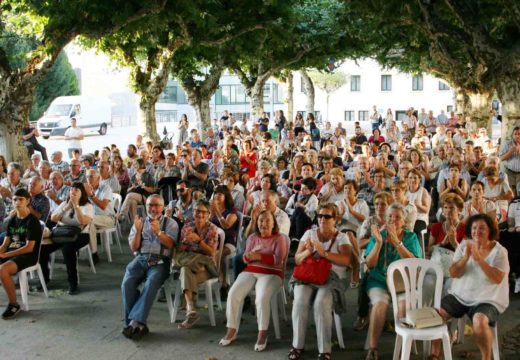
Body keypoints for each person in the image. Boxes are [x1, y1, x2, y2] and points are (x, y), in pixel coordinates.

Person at [431, 214, 509, 360]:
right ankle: (436, 354)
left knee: (479, 321)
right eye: (474, 228)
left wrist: (480, 260)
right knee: (436, 315)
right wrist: (465, 258)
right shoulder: (464, 245)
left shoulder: (500, 252)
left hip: (488, 299)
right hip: (460, 295)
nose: (476, 232)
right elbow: (453, 273)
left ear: (490, 231)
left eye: (481, 228)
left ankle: (486, 357)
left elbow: (497, 279)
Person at [288, 203, 352, 360]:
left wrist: (324, 254)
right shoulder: (309, 233)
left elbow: (346, 260)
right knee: (300, 301)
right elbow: (297, 259)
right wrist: (308, 251)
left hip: (332, 277)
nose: (322, 219)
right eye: (320, 216)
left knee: (321, 303)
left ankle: (325, 350)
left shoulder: (342, 237)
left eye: (327, 216)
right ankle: (297, 346)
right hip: (308, 275)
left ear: (335, 219)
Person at [220, 209, 288, 352]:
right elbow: (245, 258)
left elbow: (278, 260)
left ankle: (262, 332)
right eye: (261, 220)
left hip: (272, 273)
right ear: (257, 223)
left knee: (261, 298)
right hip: (251, 270)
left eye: (267, 220)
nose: (264, 223)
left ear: (273, 223)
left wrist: (259, 257)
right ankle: (231, 329)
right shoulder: (252, 238)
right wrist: (249, 257)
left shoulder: (279, 238)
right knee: (233, 294)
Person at [364, 203, 422, 360]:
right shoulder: (379, 235)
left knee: (404, 306)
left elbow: (415, 264)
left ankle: (404, 349)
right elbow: (370, 264)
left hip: (403, 283)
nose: (393, 220)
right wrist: (378, 243)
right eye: (390, 216)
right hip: (379, 280)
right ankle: (372, 347)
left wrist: (397, 242)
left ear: (404, 222)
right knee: (380, 304)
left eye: (397, 218)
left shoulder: (410, 237)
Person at [121, 194, 178, 340]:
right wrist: (138, 230)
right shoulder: (140, 222)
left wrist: (158, 231)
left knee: (151, 283)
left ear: (163, 207)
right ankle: (138, 323)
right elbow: (133, 246)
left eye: (157, 205)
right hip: (141, 258)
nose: (153, 209)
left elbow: (170, 245)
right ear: (145, 207)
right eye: (150, 205)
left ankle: (133, 323)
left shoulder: (171, 223)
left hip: (160, 261)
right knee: (127, 283)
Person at [42, 182, 93, 294]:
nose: (73, 191)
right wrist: (67, 207)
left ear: (82, 193)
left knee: (67, 249)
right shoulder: (65, 203)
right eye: (71, 189)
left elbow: (83, 221)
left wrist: (76, 206)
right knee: (42, 249)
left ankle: (73, 283)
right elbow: (54, 218)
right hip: (61, 233)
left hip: (80, 235)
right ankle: (44, 279)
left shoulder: (88, 206)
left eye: (76, 190)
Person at [176, 199, 219, 329]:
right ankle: (191, 310)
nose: (199, 215)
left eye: (203, 212)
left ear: (208, 214)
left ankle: (190, 310)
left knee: (185, 270)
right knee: (185, 271)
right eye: (196, 211)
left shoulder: (212, 229)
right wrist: (184, 242)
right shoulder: (188, 226)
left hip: (206, 268)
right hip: (191, 265)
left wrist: (199, 241)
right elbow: (179, 251)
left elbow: (212, 253)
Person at [0, 189, 42, 319]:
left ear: (28, 201)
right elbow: (6, 242)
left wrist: (6, 255)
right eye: (14, 199)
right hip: (12, 252)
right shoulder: (13, 219)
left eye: (21, 199)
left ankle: (14, 304)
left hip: (27, 256)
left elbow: (29, 248)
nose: (17, 202)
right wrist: (1, 250)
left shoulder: (32, 221)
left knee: (3, 270)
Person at [210, 185, 238, 295]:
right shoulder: (213, 208)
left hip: (228, 242)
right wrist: (211, 213)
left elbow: (226, 226)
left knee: (218, 254)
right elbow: (207, 224)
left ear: (226, 196)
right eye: (216, 193)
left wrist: (217, 212)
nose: (217, 196)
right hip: (213, 241)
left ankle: (223, 283)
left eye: (220, 194)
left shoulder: (232, 211)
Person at [84, 169, 114, 263]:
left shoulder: (106, 188)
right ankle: (93, 253)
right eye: (87, 177)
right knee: (88, 223)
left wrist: (91, 196)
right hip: (93, 218)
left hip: (108, 218)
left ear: (98, 178)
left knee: (88, 220)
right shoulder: (86, 189)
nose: (89, 179)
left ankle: (91, 252)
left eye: (91, 177)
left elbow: (103, 206)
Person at [499, 126, 520, 193]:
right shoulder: (507, 144)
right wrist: (511, 151)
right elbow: (501, 158)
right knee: (511, 193)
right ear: (512, 135)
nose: (517, 136)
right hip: (510, 173)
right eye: (515, 134)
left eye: (519, 134)